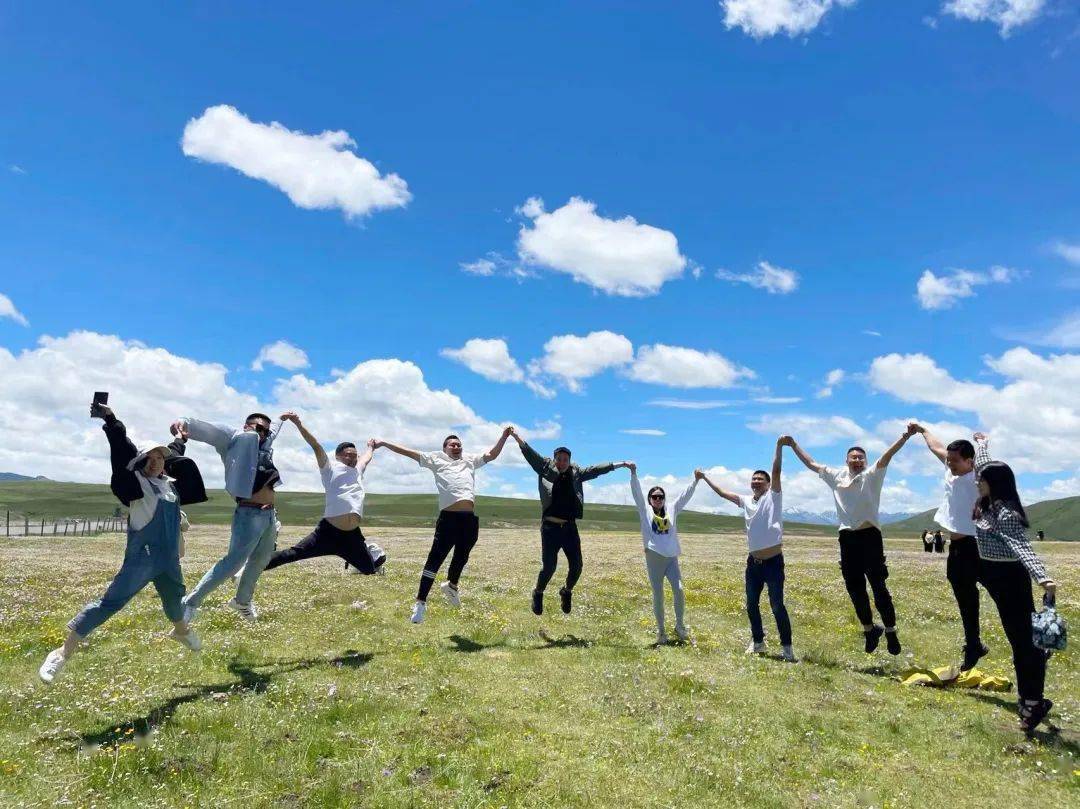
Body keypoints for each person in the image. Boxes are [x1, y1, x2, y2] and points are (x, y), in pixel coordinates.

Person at [39, 401, 208, 683]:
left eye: (159, 458)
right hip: (141, 560)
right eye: (149, 459)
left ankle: (181, 632)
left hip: (168, 559)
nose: (155, 463)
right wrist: (111, 420)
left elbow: (175, 453)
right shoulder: (134, 486)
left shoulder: (169, 484)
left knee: (175, 602)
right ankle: (60, 654)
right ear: (141, 462)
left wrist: (180, 439)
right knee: (108, 604)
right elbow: (121, 449)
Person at [785, 428, 916, 654]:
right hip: (847, 539)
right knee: (855, 589)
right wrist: (793, 444)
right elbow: (811, 463)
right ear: (846, 460)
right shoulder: (836, 476)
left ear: (865, 461)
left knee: (879, 587)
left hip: (870, 537)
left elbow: (887, 455)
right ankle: (869, 630)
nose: (857, 460)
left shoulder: (872, 475)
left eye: (861, 457)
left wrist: (905, 437)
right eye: (853, 457)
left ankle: (891, 631)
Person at [375, 427, 513, 623]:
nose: (456, 447)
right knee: (435, 560)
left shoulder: (470, 460)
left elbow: (492, 454)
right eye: (452, 444)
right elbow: (408, 452)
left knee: (462, 556)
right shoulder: (435, 459)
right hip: (448, 519)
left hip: (469, 519)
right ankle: (420, 603)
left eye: (459, 445)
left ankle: (452, 586)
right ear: (445, 448)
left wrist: (504, 437)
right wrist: (384, 443)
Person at [971, 432, 1057, 733]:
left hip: (1010, 579)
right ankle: (1030, 697)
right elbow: (983, 465)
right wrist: (981, 444)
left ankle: (1033, 701)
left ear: (993, 483)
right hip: (993, 576)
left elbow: (1023, 548)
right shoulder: (988, 499)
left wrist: (1044, 579)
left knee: (1023, 643)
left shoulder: (1005, 512)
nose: (976, 481)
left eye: (981, 479)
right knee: (1020, 640)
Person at [170, 410, 285, 624]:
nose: (262, 434)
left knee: (260, 560)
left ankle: (242, 601)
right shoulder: (233, 438)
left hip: (269, 513)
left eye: (265, 431)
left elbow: (273, 432)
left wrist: (283, 418)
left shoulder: (265, 443)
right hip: (249, 512)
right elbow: (209, 430)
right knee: (232, 564)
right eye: (257, 428)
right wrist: (182, 424)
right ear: (246, 426)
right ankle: (190, 602)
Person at [511, 431, 631, 615]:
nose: (561, 462)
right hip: (550, 528)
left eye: (565, 459)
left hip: (569, 528)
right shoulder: (544, 467)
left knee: (577, 566)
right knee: (549, 567)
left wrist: (619, 464)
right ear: (554, 459)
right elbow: (529, 454)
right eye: (558, 459)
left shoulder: (576, 473)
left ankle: (566, 591)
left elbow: (595, 470)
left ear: (569, 461)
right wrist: (516, 437)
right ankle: (538, 592)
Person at [699, 436, 795, 662]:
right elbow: (723, 493)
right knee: (751, 604)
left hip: (773, 561)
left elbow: (777, 471)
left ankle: (787, 648)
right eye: (754, 479)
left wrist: (779, 446)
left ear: (769, 484)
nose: (756, 482)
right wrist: (705, 478)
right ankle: (758, 641)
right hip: (753, 563)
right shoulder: (746, 501)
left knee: (777, 605)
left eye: (760, 479)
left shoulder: (773, 497)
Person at [260, 412, 385, 577]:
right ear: (338, 456)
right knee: (293, 554)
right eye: (348, 455)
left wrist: (371, 446)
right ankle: (253, 564)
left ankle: (366, 553)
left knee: (369, 569)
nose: (352, 458)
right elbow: (315, 444)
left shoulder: (358, 469)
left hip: (351, 535)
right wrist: (298, 423)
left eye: (354, 456)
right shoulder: (329, 468)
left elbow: (367, 457)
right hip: (327, 532)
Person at [909, 424, 987, 670]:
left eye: (954, 461)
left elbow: (988, 463)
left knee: (1004, 595)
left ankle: (1032, 641)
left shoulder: (978, 476)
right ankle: (973, 644)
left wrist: (983, 444)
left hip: (979, 545)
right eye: (949, 460)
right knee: (965, 597)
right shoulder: (950, 468)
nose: (949, 463)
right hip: (958, 547)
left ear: (969, 461)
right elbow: (936, 447)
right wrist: (921, 430)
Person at [628, 463, 700, 645]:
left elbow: (684, 496)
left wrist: (696, 481)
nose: (658, 499)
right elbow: (636, 492)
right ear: (650, 499)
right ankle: (661, 632)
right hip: (654, 559)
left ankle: (679, 626)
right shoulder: (645, 512)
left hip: (671, 558)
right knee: (658, 594)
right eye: (654, 497)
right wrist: (634, 473)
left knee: (680, 590)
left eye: (660, 497)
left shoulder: (672, 509)